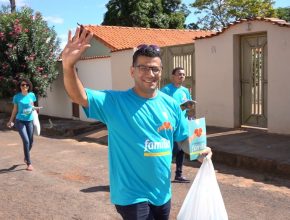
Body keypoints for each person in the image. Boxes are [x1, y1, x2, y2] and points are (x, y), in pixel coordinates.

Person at [62, 27, 212, 220]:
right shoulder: (114, 102)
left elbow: (183, 139)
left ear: (161, 72)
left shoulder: (172, 105)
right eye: (143, 67)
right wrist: (68, 67)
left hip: (162, 193)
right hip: (131, 196)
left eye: (154, 68)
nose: (149, 73)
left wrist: (200, 151)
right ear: (132, 71)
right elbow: (78, 96)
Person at [161, 67, 195, 183]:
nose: (182, 76)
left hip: (183, 124)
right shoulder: (165, 90)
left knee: (181, 150)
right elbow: (161, 107)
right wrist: (177, 109)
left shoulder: (185, 90)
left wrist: (189, 108)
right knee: (174, 149)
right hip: (171, 125)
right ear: (173, 76)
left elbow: (188, 105)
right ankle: (161, 173)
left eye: (184, 75)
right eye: (179, 74)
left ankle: (179, 174)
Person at [7, 79, 36, 171]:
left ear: (29, 86)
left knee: (31, 141)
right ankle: (29, 163)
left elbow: (33, 107)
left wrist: (34, 111)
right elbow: (15, 109)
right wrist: (10, 120)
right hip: (20, 121)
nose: (25, 87)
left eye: (26, 85)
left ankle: (25, 155)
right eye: (23, 85)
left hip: (30, 121)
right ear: (20, 86)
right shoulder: (17, 97)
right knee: (26, 141)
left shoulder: (32, 95)